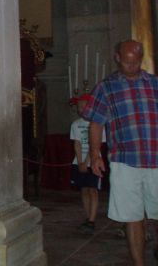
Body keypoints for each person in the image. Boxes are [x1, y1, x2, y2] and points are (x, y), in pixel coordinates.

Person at [83, 40, 158, 265]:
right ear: (117, 58)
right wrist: (95, 154)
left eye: (136, 62)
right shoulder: (106, 87)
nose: (132, 66)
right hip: (124, 161)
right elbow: (96, 123)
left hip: (156, 159)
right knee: (132, 215)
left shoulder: (155, 84)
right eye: (127, 62)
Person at [69, 97, 106, 234]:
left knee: (93, 190)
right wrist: (80, 162)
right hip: (79, 162)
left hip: (93, 162)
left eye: (83, 106)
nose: (80, 109)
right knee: (84, 189)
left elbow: (95, 145)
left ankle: (92, 220)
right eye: (78, 107)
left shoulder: (98, 124)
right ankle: (88, 216)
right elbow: (77, 143)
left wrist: (86, 162)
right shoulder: (75, 124)